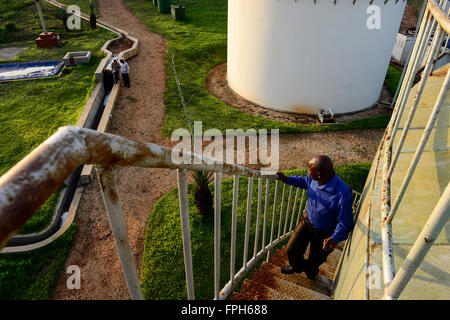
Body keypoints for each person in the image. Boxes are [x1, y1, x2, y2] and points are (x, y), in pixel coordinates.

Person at [276, 155, 354, 281]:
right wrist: (286, 179)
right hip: (307, 222)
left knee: (315, 260)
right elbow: (304, 181)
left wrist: (334, 239)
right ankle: (298, 267)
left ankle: (311, 270)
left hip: (324, 234)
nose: (307, 171)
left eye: (309, 170)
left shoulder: (343, 194)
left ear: (318, 174)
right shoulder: (314, 179)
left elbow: (346, 223)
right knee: (291, 250)